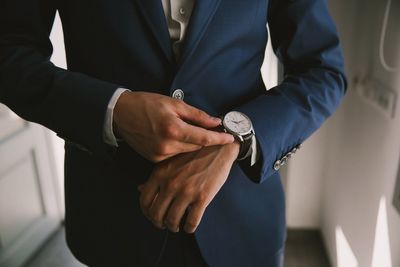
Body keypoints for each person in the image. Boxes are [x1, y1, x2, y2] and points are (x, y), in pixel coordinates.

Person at [0, 0, 347, 266]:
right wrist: (114, 110)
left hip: (243, 217)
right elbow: (10, 53)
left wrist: (235, 138)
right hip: (113, 219)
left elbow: (323, 70)